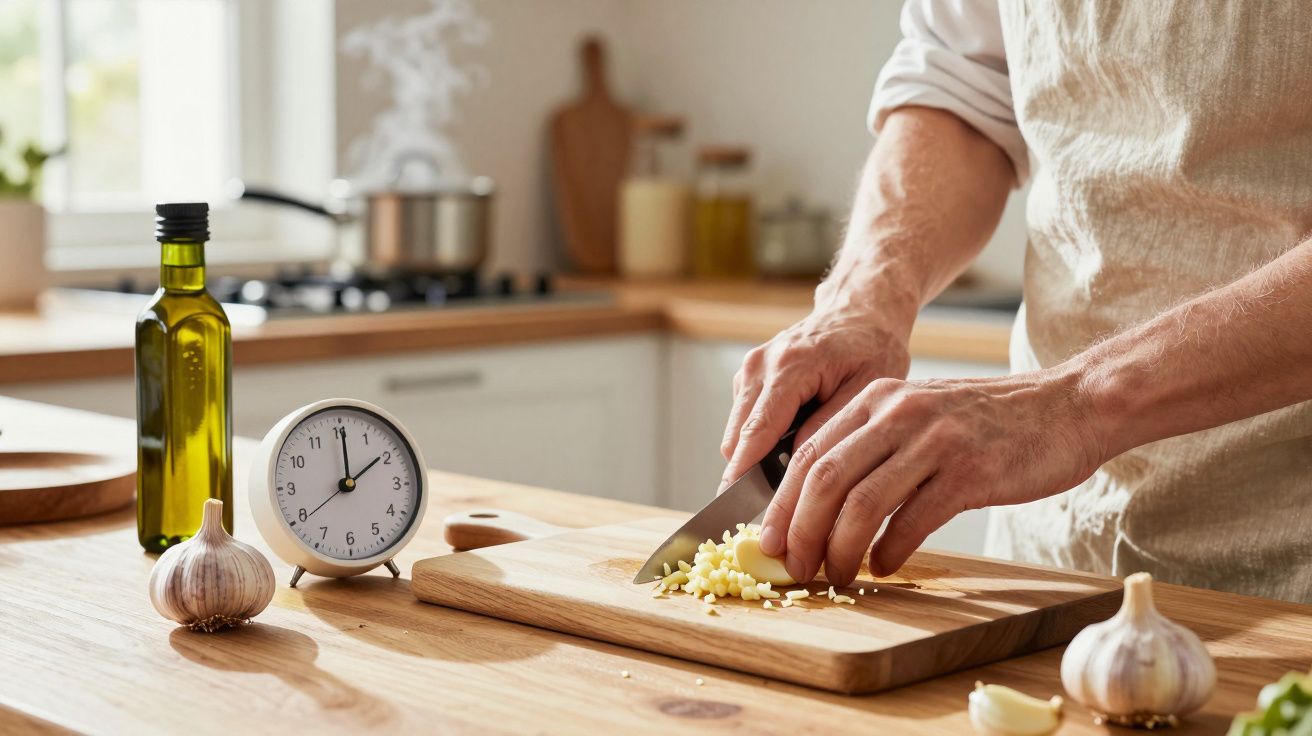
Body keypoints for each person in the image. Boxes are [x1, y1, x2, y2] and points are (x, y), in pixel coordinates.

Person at [719, 0, 1312, 602]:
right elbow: (964, 84)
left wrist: (1078, 403)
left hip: (1288, 559)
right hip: (1049, 556)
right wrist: (864, 299)